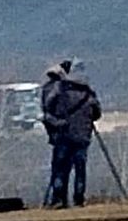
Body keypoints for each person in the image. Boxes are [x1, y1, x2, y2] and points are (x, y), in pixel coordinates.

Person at [41, 59, 102, 208]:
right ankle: (79, 199)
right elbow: (97, 114)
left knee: (60, 168)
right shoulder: (89, 95)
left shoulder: (61, 93)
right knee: (80, 169)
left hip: (63, 135)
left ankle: (58, 199)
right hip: (82, 136)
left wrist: (56, 124)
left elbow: (49, 110)